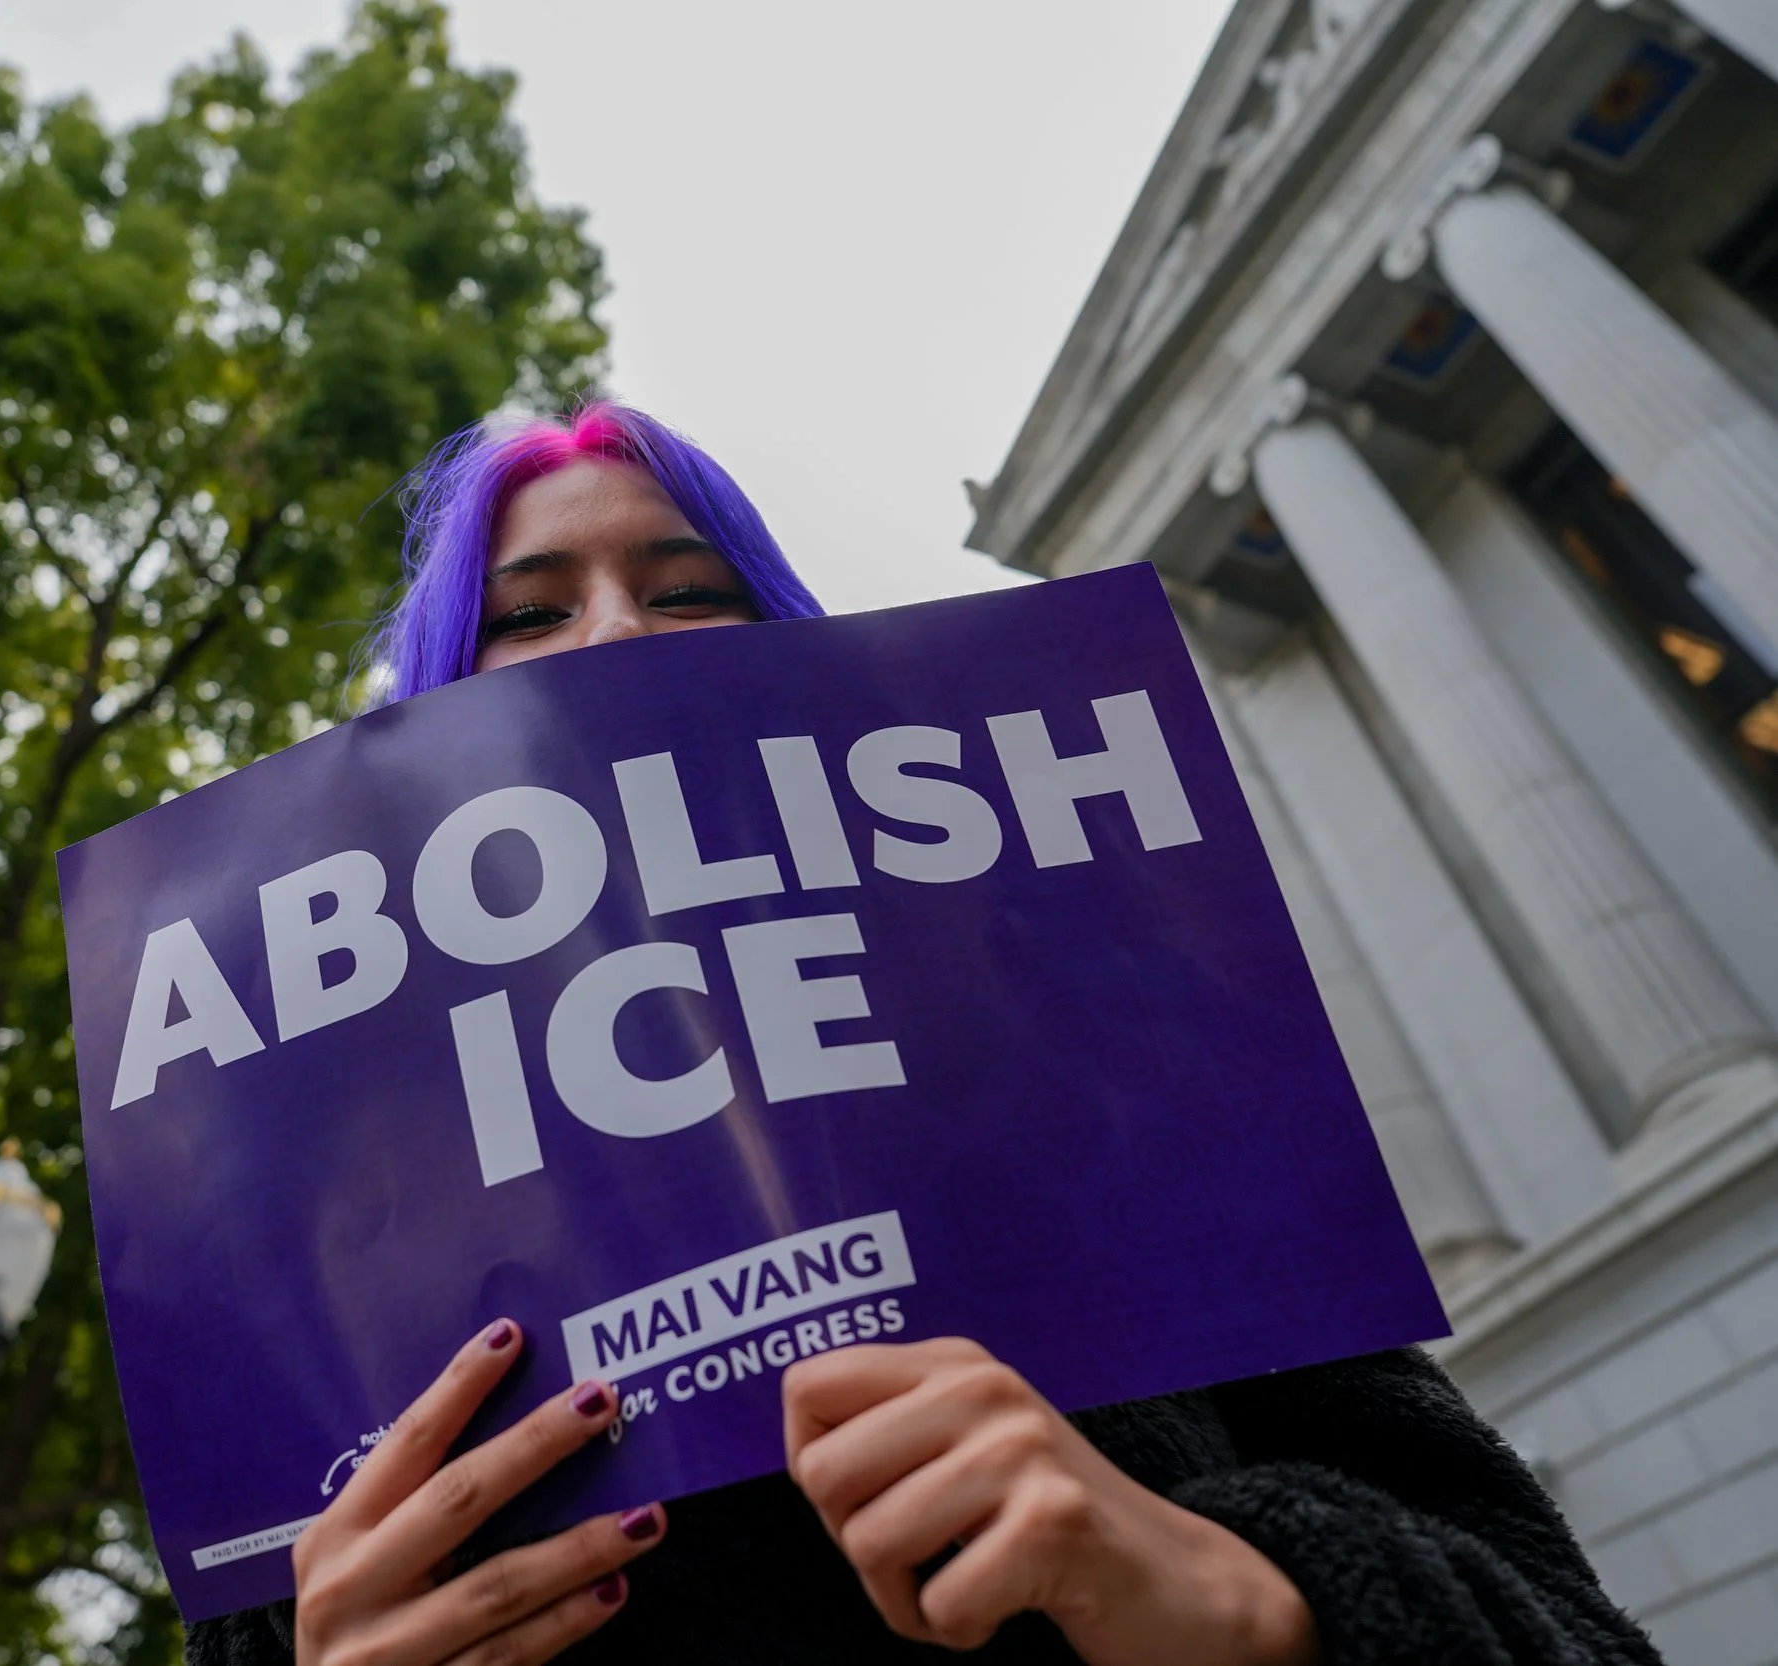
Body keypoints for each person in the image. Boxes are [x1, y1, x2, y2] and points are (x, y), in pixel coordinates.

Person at [184, 403, 1658, 1666]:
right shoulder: (337, 1281)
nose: (618, 635)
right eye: (530, 611)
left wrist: (1243, 1592)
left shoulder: (1127, 1099)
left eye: (689, 590)